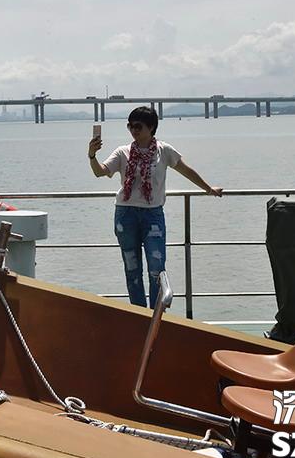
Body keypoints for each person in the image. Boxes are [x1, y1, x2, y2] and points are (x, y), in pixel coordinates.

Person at [88, 106, 223, 308]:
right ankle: (139, 315)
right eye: (130, 126)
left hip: (153, 215)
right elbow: (100, 172)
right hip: (125, 214)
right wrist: (92, 155)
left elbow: (186, 170)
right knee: (132, 269)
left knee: (157, 269)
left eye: (138, 126)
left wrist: (208, 189)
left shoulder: (163, 150)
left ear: (151, 127)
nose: (134, 130)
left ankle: (156, 315)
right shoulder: (123, 152)